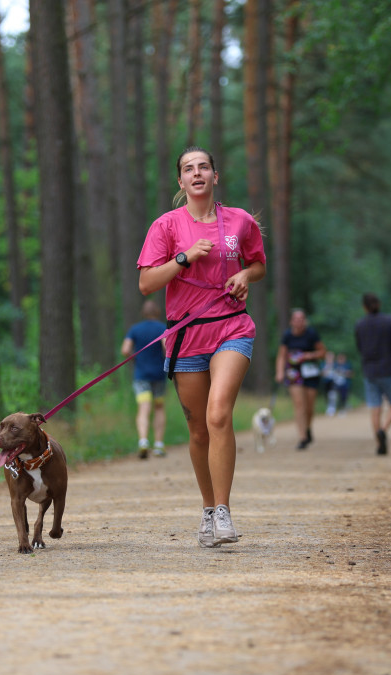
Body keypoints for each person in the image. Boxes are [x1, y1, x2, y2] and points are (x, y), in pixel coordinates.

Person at [137, 145, 267, 548]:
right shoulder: (166, 226)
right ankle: (209, 510)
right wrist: (184, 258)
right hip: (186, 335)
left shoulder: (241, 222)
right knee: (197, 431)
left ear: (215, 176)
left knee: (217, 415)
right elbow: (147, 283)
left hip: (231, 327)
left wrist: (246, 273)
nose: (197, 174)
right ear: (181, 181)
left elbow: (259, 264)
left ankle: (225, 511)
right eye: (189, 169)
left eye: (204, 167)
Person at [353, 292, 391, 455]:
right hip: (388, 368)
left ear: (364, 307)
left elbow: (360, 347)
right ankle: (383, 429)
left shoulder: (360, 325)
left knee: (375, 407)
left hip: (369, 370)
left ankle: (379, 443)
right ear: (379, 304)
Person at [121, 299, 168, 458]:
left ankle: (143, 441)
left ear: (143, 313)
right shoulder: (162, 328)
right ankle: (159, 445)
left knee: (143, 408)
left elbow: (125, 349)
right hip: (159, 376)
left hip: (141, 376)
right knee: (159, 408)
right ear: (158, 312)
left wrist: (135, 359)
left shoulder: (135, 329)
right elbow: (167, 347)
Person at [276, 309, 327, 449]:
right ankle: (303, 436)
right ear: (291, 321)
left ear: (305, 321)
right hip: (293, 372)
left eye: (301, 319)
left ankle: (308, 427)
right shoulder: (287, 335)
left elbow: (323, 352)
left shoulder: (311, 334)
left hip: (310, 372)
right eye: (296, 319)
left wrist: (308, 356)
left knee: (309, 407)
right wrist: (280, 372)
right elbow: (282, 355)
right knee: (299, 404)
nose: (298, 322)